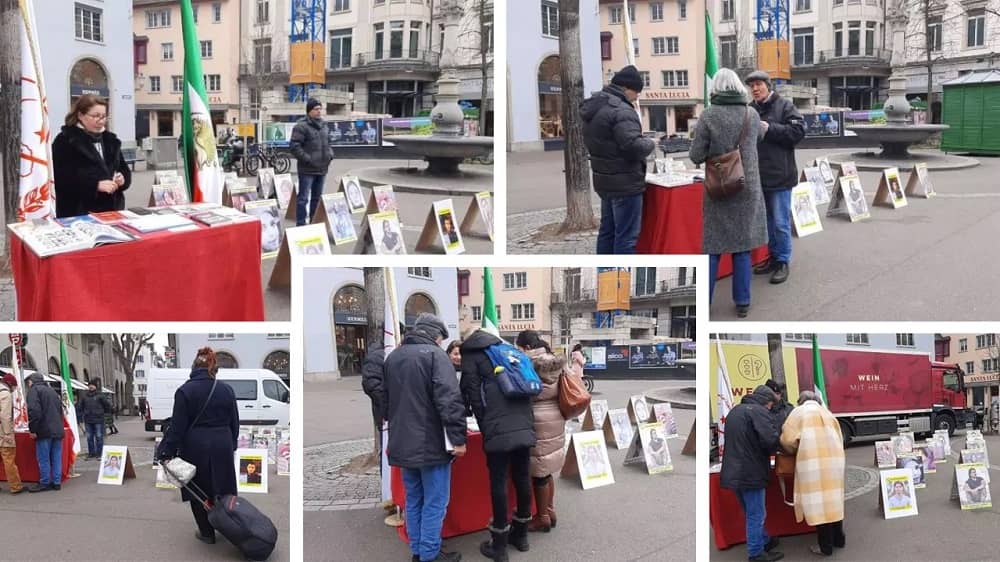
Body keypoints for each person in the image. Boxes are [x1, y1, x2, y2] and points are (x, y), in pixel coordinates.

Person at [384, 313, 466, 562]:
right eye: (441, 338)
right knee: (435, 502)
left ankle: (419, 550)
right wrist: (458, 439)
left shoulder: (394, 356)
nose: (441, 343)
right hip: (430, 444)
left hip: (403, 442)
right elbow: (449, 401)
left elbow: (384, 400)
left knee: (415, 499)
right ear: (434, 335)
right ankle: (429, 554)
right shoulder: (436, 356)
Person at [688, 68, 768, 319]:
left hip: (719, 188)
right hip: (747, 187)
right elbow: (760, 136)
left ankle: (704, 304)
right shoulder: (751, 114)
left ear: (717, 89)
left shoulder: (708, 115)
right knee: (742, 247)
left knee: (713, 248)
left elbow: (696, 155)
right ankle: (742, 302)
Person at [461, 327, 537, 561]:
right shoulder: (507, 350)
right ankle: (521, 536)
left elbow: (470, 392)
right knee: (522, 476)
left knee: (499, 480)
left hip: (497, 426)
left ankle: (500, 545)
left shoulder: (472, 355)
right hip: (524, 420)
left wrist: (484, 424)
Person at [156, 348, 240, 545]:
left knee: (197, 488)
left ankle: (207, 533)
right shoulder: (226, 390)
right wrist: (232, 444)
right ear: (214, 369)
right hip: (222, 443)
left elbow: (177, 428)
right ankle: (230, 528)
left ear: (194, 368)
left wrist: (166, 452)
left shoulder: (185, 391)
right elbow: (234, 422)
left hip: (196, 445)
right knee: (224, 487)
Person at [580, 65, 656, 254]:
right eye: (636, 92)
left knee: (607, 232)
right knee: (626, 237)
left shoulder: (596, 105)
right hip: (625, 182)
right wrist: (650, 142)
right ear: (626, 88)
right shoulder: (621, 110)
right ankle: (620, 279)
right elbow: (633, 146)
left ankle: (606, 274)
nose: (637, 97)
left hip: (605, 179)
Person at [745, 70, 805, 285]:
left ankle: (782, 261)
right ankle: (772, 257)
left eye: (759, 84)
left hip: (781, 176)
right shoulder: (750, 109)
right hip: (759, 177)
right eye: (751, 86)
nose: (755, 89)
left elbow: (798, 133)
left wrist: (770, 128)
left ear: (768, 86)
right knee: (768, 222)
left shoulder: (785, 105)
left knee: (780, 222)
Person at [779, 390, 846, 557]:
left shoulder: (798, 412)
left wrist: (793, 448)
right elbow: (840, 438)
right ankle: (839, 538)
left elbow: (787, 440)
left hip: (812, 463)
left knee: (818, 503)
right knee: (833, 500)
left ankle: (826, 547)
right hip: (834, 461)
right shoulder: (828, 413)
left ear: (801, 401)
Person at [719, 385, 782, 562]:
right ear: (766, 402)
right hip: (750, 471)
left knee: (750, 511)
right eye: (771, 405)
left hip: (733, 470)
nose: (770, 408)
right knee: (756, 514)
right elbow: (770, 439)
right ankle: (756, 554)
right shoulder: (758, 411)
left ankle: (764, 540)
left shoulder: (735, 411)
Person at [515, 330, 568, 534]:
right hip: (556, 417)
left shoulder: (527, 363)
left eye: (519, 347)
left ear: (526, 348)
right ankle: (550, 511)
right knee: (547, 470)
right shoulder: (555, 361)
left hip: (537, 419)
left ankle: (542, 518)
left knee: (538, 471)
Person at [52, 94, 132, 218]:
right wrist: (95, 185)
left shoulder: (110, 140)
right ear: (80, 115)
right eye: (95, 116)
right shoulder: (65, 140)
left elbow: (123, 169)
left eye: (104, 117)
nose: (100, 121)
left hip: (112, 211)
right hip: (79, 213)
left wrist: (122, 179)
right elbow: (60, 177)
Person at [290, 98, 334, 226]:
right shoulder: (301, 126)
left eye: (320, 108)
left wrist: (330, 155)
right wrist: (308, 159)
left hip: (322, 168)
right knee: (303, 198)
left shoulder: (324, 125)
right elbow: (294, 147)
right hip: (307, 169)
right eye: (316, 109)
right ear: (309, 110)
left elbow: (328, 143)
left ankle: (314, 223)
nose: (319, 111)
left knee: (317, 198)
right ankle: (301, 224)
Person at [25, 373, 64, 493]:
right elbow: (60, 410)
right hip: (57, 429)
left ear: (31, 381)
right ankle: (57, 482)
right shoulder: (51, 391)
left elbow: (34, 411)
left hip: (44, 429)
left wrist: (33, 429)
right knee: (56, 457)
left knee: (44, 458)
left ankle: (45, 482)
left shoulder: (34, 391)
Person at [76, 380, 111, 460]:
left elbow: (107, 405)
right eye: (89, 385)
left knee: (99, 437)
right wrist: (81, 416)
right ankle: (91, 453)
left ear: (95, 386)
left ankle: (99, 454)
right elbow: (80, 407)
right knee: (89, 437)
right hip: (88, 419)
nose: (91, 386)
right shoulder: (84, 396)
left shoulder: (100, 396)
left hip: (98, 419)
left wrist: (103, 413)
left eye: (92, 385)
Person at [0, 374, 23, 494]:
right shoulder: (5, 394)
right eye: (14, 386)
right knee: (9, 459)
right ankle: (16, 486)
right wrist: (8, 433)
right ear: (10, 384)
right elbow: (5, 416)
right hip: (3, 433)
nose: (14, 389)